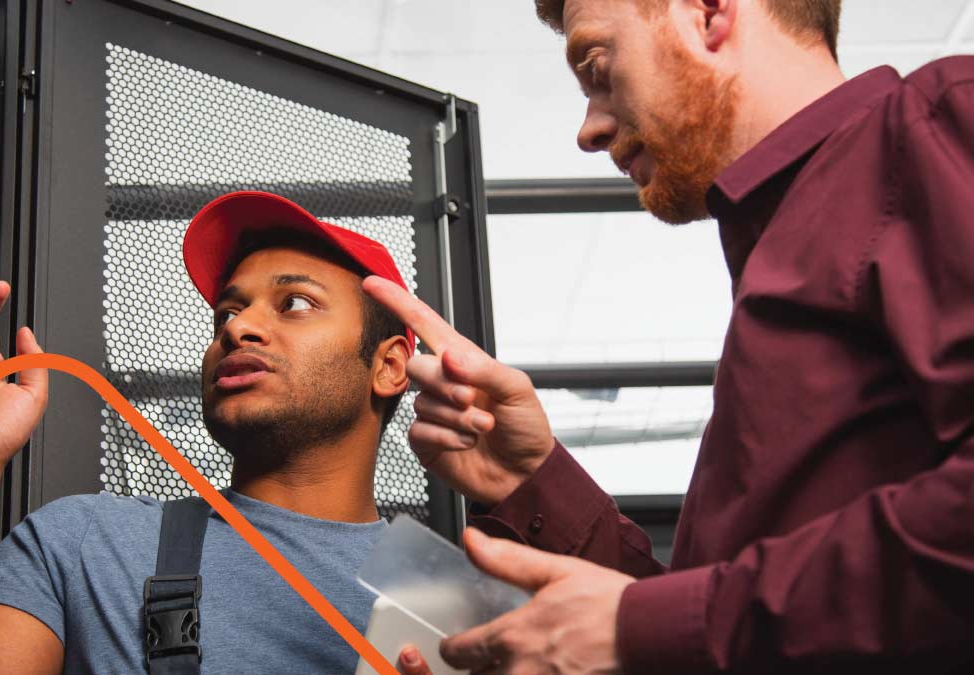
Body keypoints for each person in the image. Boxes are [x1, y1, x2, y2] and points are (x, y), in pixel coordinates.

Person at [381, 0, 974, 673]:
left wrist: (646, 626)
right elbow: (714, 628)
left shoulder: (935, 124)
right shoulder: (778, 259)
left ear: (710, 12)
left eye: (598, 66)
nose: (589, 128)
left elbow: (699, 622)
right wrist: (534, 477)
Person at [0, 191, 416, 673]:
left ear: (389, 366)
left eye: (294, 303)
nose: (236, 327)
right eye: (227, 312)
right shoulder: (85, 542)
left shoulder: (455, 604)